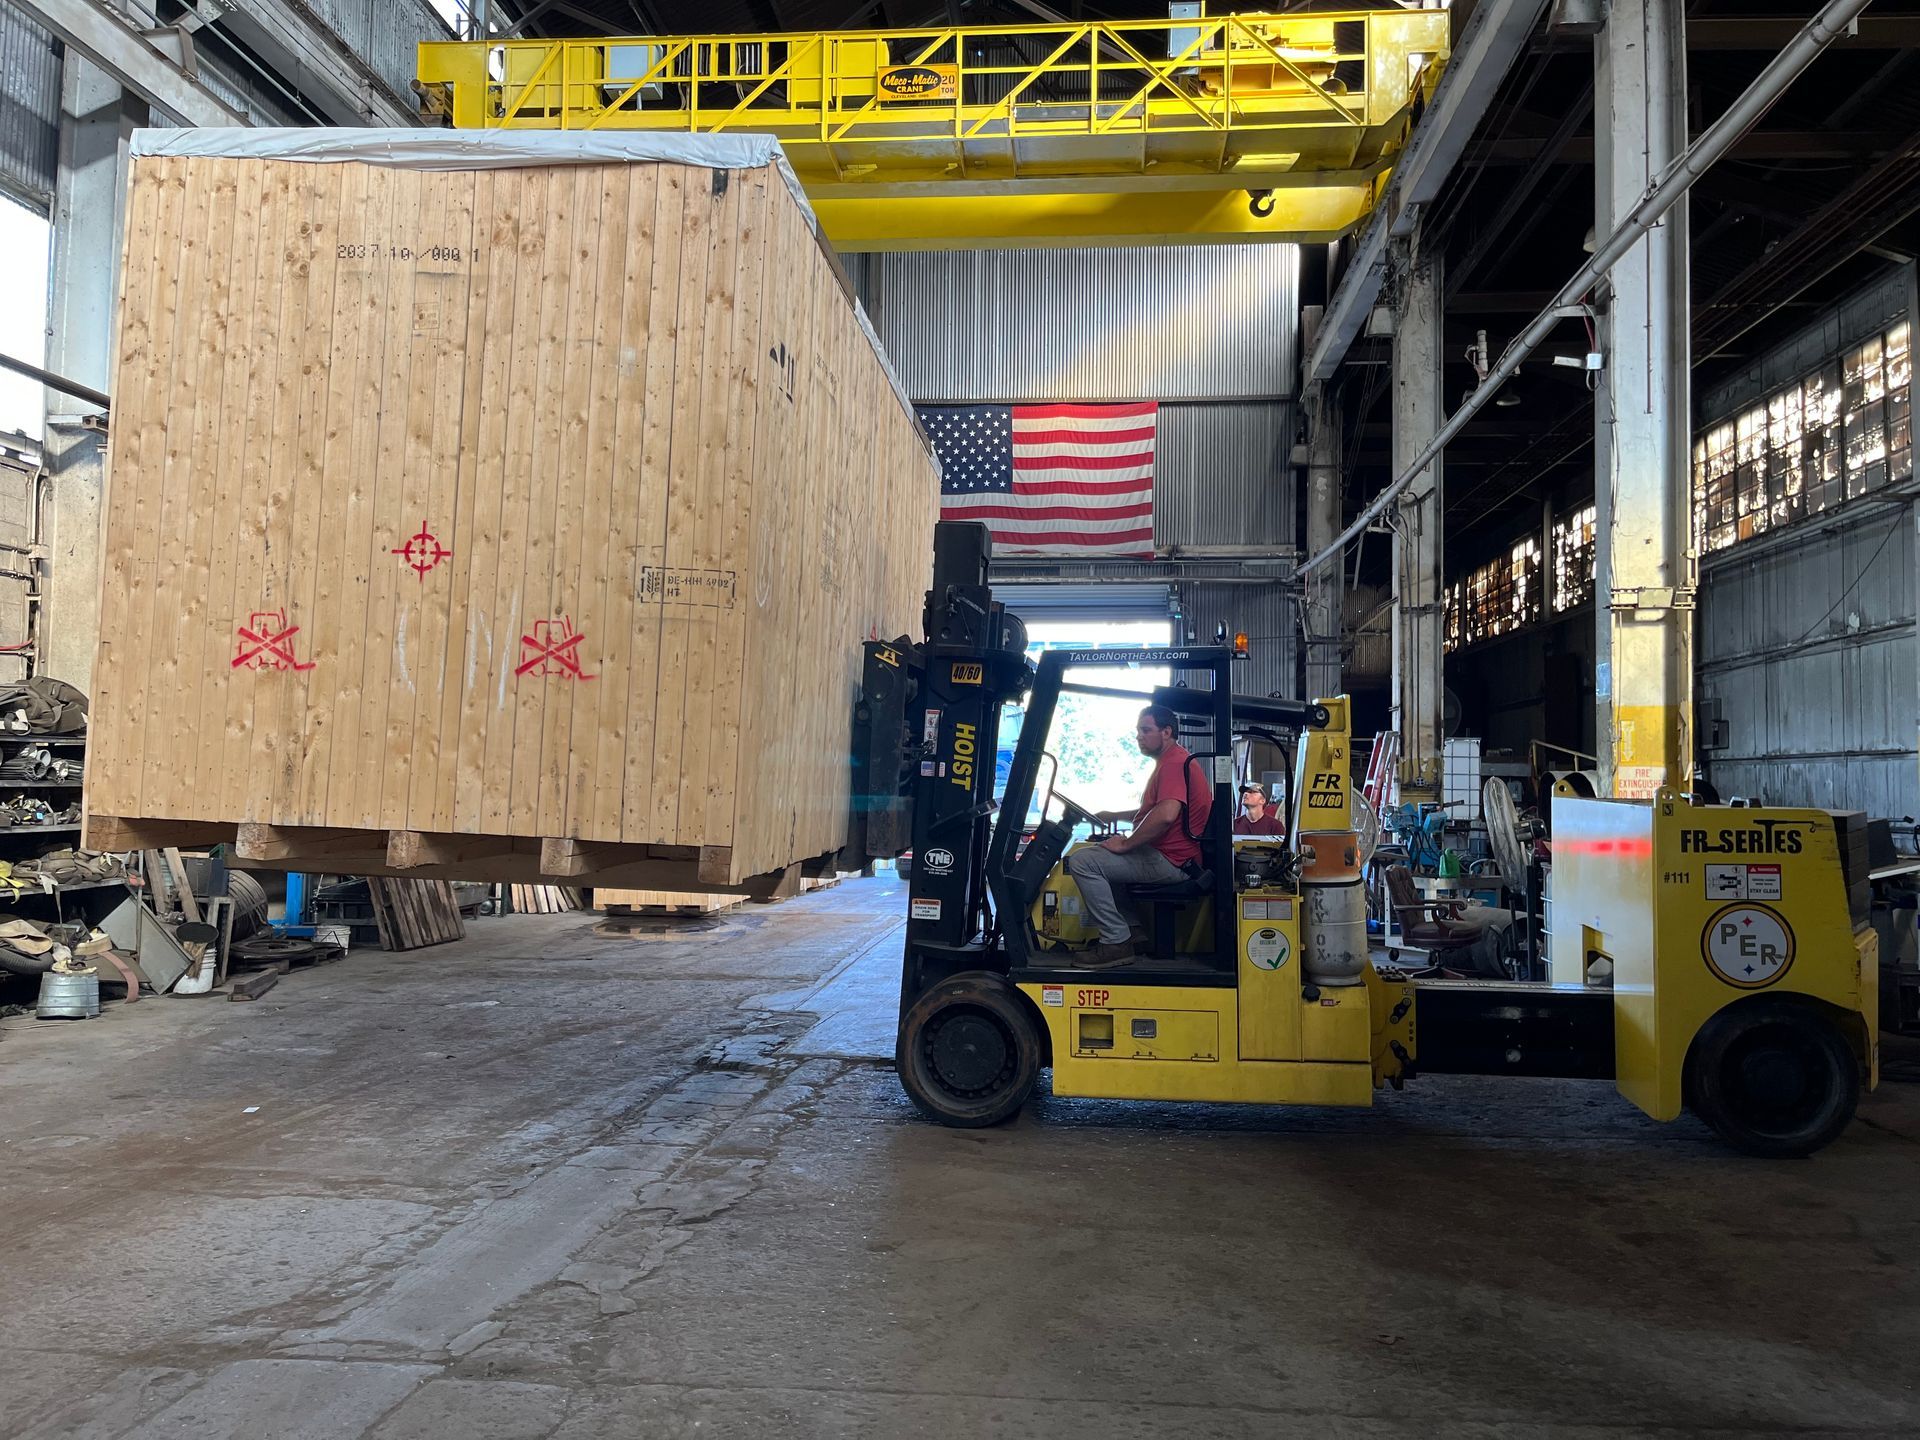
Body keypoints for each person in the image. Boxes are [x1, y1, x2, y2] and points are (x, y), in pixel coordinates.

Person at [1065, 705, 1214, 967]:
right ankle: (1133, 932)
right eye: (1137, 731)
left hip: (1172, 860)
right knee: (1103, 856)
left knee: (1082, 862)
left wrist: (1126, 844)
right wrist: (1115, 815)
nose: (1139, 737)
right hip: (1175, 856)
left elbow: (1167, 814)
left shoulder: (1173, 764)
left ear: (1166, 732)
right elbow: (1155, 809)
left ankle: (1115, 942)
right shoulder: (1174, 761)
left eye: (1146, 730)